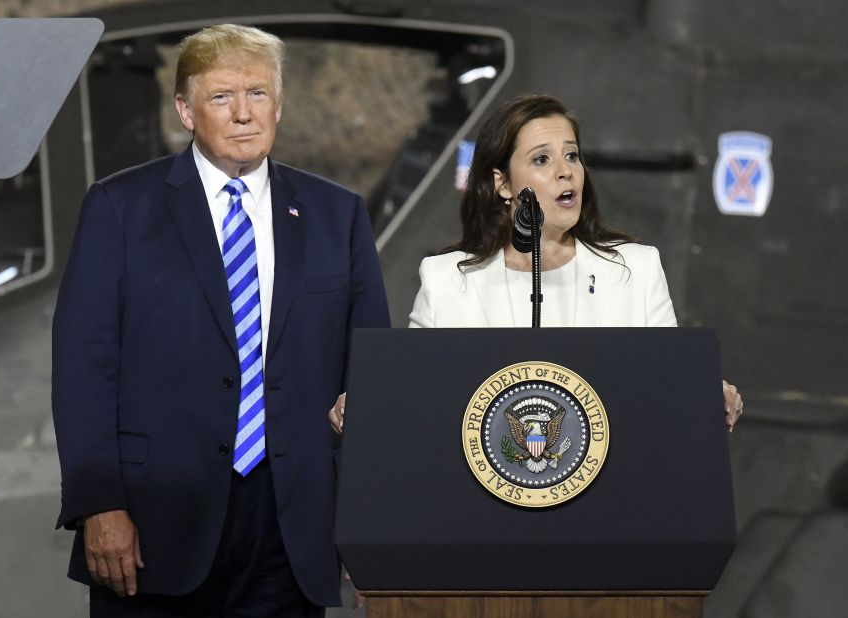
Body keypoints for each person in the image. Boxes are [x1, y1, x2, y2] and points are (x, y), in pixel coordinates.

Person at [52, 23, 389, 617]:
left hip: (292, 528)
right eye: (221, 97)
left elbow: (373, 375)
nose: (242, 114)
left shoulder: (338, 215)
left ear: (279, 106)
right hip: (154, 524)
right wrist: (99, 504)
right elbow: (84, 369)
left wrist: (372, 525)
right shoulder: (119, 208)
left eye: (257, 94)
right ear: (185, 110)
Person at [332, 94, 741, 435]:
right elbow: (412, 395)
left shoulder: (634, 271)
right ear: (503, 184)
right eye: (542, 160)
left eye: (572, 156)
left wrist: (705, 395)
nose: (566, 171)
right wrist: (369, 405)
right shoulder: (446, 280)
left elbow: (669, 385)